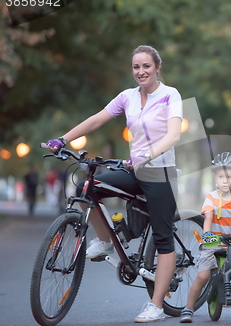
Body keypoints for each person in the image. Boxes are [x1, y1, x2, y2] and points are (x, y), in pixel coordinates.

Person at [45, 45, 182, 323]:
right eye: (136, 67)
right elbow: (98, 119)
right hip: (135, 169)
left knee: (163, 238)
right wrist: (64, 138)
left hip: (160, 171)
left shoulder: (170, 95)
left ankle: (156, 305)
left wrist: (148, 154)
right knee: (88, 187)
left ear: (157, 67)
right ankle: (106, 242)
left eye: (146, 66)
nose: (141, 72)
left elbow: (174, 134)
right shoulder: (127, 97)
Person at [179, 152, 231, 323]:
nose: (225, 180)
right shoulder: (211, 197)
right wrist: (207, 234)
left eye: (229, 176)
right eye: (221, 176)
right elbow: (207, 216)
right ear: (215, 177)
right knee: (202, 276)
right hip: (214, 243)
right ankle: (188, 308)